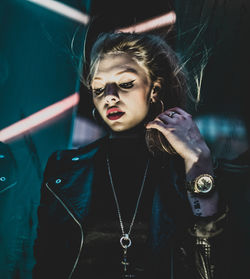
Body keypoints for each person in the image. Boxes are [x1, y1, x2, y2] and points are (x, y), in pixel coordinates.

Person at [33, 32, 228, 279]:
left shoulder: (185, 169)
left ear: (154, 89)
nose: (109, 96)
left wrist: (199, 163)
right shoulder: (64, 169)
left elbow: (212, 266)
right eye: (99, 87)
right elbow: (46, 264)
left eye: (125, 83)